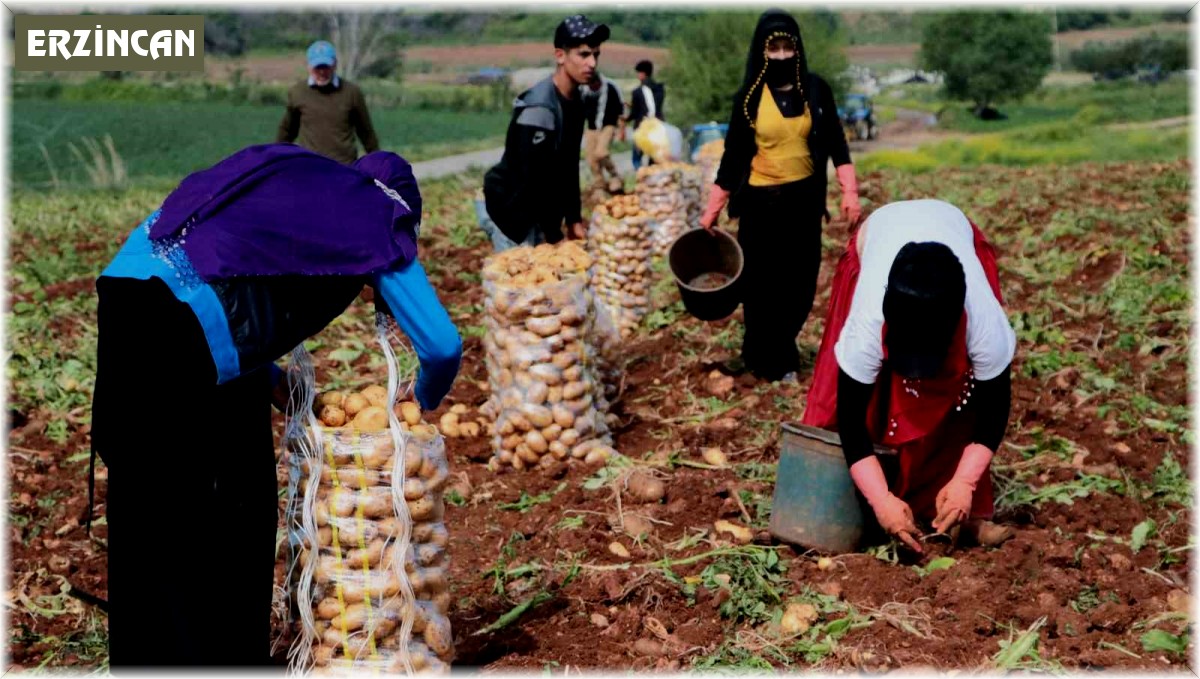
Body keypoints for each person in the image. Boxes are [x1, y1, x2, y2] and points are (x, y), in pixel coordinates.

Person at [90, 143, 463, 667]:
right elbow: (443, 347)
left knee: (144, 499)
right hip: (179, 326)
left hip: (126, 300)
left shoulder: (302, 190)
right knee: (215, 507)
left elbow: (222, 276)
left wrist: (271, 380)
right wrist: (413, 404)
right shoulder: (378, 212)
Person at [800, 199, 1017, 553]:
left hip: (951, 235)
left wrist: (964, 480)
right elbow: (850, 422)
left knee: (958, 405)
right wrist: (880, 498)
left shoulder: (984, 324)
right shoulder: (867, 324)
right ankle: (863, 509)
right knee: (854, 406)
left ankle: (954, 511)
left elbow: (994, 410)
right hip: (879, 235)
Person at [698, 9, 862, 383]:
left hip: (804, 204)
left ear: (798, 48)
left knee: (800, 285)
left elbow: (836, 140)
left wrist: (849, 192)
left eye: (789, 47)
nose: (783, 56)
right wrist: (712, 209)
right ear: (762, 52)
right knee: (760, 286)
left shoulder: (816, 89)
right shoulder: (749, 98)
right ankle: (771, 360)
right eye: (775, 49)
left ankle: (771, 348)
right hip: (761, 205)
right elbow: (734, 155)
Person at [479, 15, 609, 252]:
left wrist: (573, 219)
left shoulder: (577, 102)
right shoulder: (540, 109)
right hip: (510, 211)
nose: (592, 63)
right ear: (560, 55)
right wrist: (553, 235)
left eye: (596, 54)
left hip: (537, 210)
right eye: (583, 54)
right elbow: (535, 179)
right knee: (521, 285)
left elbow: (568, 165)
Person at [276, 40, 381, 164]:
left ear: (335, 65)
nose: (322, 72)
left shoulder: (351, 92)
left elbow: (366, 133)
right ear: (309, 67)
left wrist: (378, 162)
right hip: (310, 166)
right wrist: (275, 159)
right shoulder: (297, 93)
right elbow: (287, 131)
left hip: (344, 167)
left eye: (326, 67)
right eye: (317, 67)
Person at [581, 71, 625, 193]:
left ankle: (615, 174)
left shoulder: (610, 87)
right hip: (591, 127)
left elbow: (621, 109)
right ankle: (600, 183)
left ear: (597, 82)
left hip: (608, 125)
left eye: (593, 85)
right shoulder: (584, 90)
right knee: (591, 159)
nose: (591, 87)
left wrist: (622, 129)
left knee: (601, 152)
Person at [625, 59, 665, 170]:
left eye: (638, 73)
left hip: (642, 129)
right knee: (654, 159)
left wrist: (625, 119)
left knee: (636, 159)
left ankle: (641, 177)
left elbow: (635, 113)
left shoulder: (637, 92)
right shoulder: (660, 89)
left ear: (642, 73)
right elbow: (653, 107)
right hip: (658, 127)